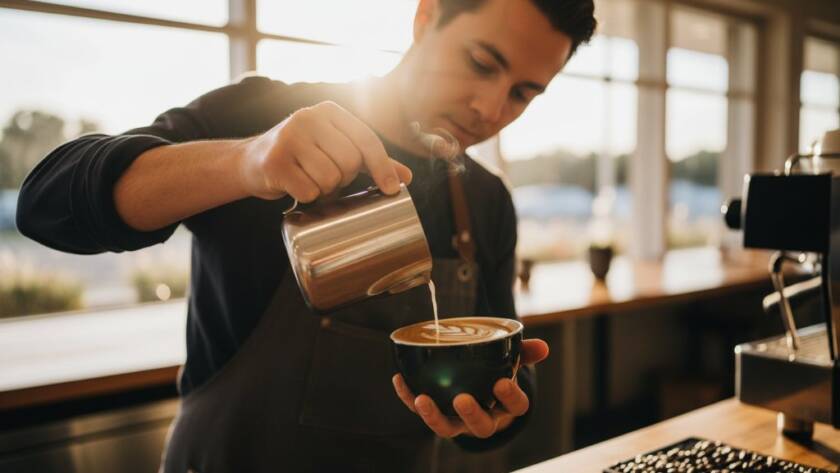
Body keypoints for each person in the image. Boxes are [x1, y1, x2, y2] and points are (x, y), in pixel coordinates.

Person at [16, 0, 596, 471]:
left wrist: (498, 412)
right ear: (426, 17)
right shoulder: (264, 116)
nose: (490, 109)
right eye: (480, 62)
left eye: (523, 93)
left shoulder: (486, 202)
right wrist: (246, 161)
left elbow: (503, 369)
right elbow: (46, 205)